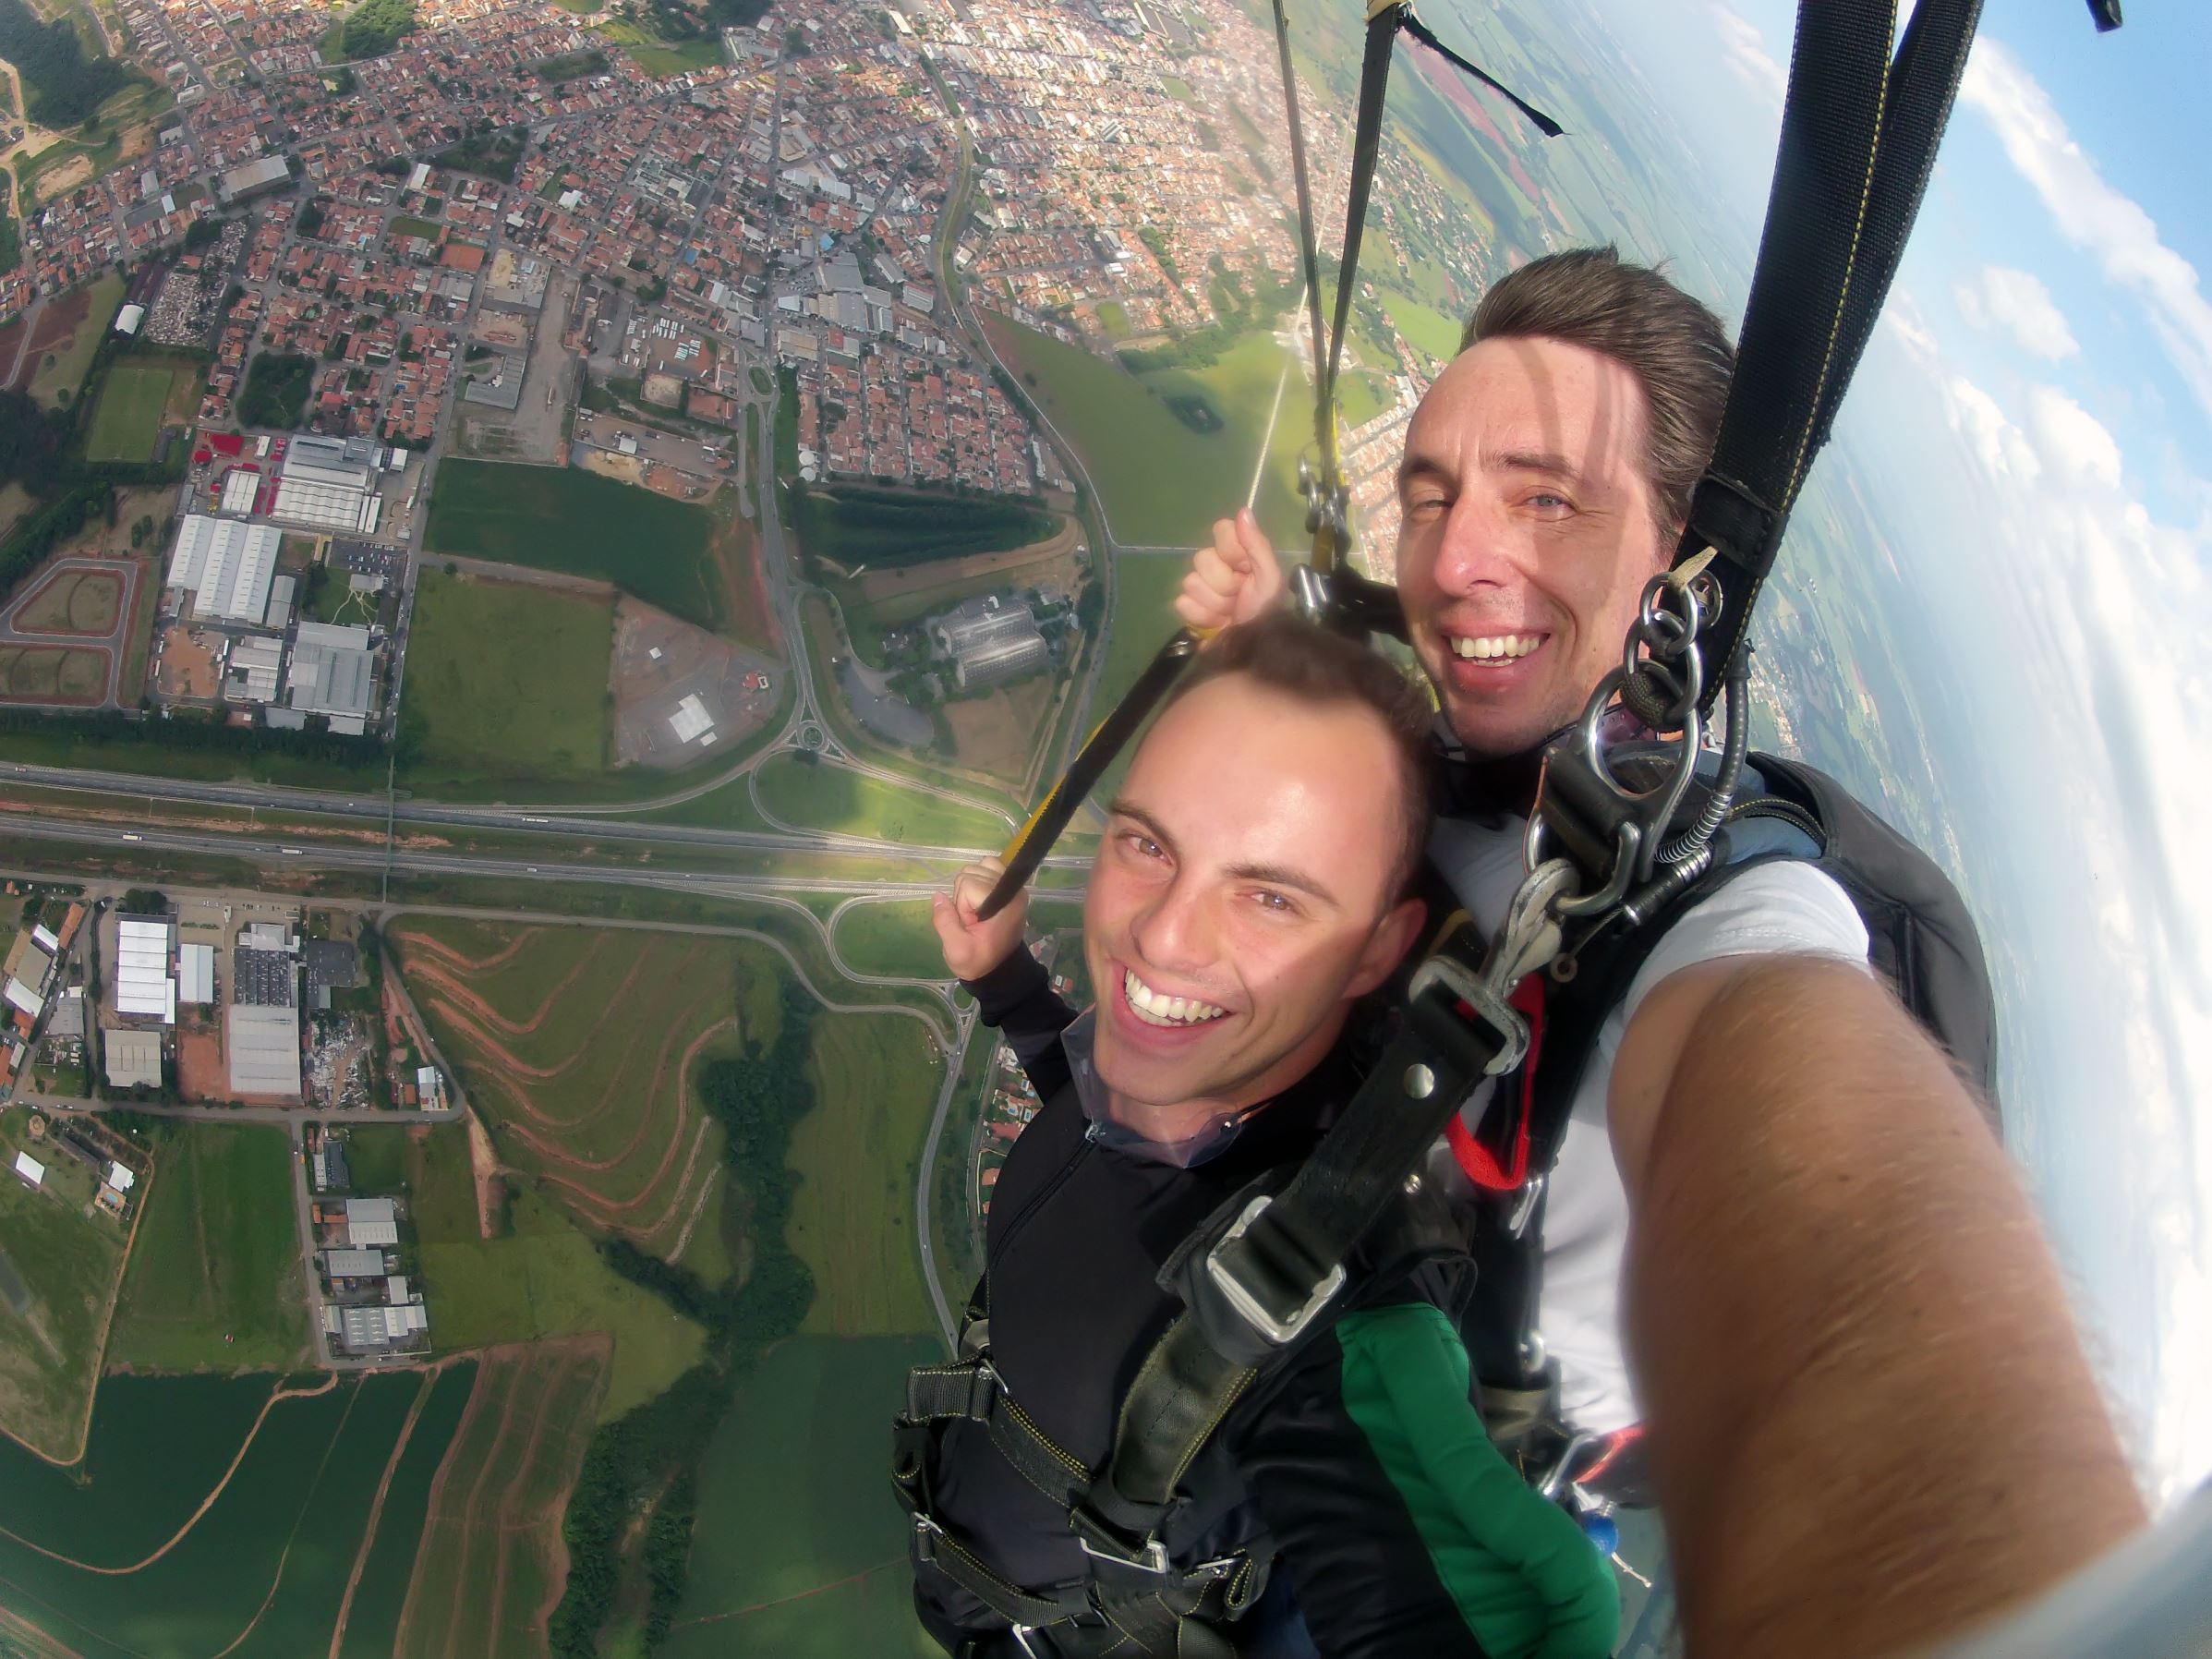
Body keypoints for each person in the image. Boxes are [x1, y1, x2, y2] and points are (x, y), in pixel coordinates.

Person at [1176, 247, 2146, 1655]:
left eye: (1545, 497)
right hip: (1312, 1343)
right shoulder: (1478, 763)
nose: (1452, 562)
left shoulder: (1733, 917)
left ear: (1678, 563)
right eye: (1429, 494)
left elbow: (1839, 1234)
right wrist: (1274, 642)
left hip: (1452, 1487)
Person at [902, 613, 1620, 1659]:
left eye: (1270, 895)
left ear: (1378, 949)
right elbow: (1100, 1114)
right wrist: (1005, 984)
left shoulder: (1329, 1311)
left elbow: (1447, 1599)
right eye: (1149, 843)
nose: (1162, 935)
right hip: (968, 1547)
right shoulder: (1189, 1070)